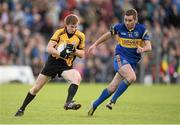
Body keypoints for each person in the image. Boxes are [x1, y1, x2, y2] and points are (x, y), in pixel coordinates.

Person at [15, 14, 85, 117]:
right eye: (71, 26)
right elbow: (49, 48)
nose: (74, 29)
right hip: (53, 62)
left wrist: (74, 50)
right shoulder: (59, 32)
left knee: (77, 77)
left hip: (66, 65)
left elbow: (82, 54)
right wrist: (60, 53)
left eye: (75, 26)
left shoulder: (80, 36)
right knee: (36, 88)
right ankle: (22, 109)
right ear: (66, 25)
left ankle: (68, 103)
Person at [88, 8, 152, 116]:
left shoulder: (141, 29)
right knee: (132, 77)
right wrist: (95, 44)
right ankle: (112, 101)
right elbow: (107, 35)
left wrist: (143, 49)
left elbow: (149, 46)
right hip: (120, 57)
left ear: (135, 20)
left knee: (112, 87)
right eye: (126, 20)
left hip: (132, 62)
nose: (127, 22)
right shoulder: (119, 27)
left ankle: (94, 104)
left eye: (130, 20)